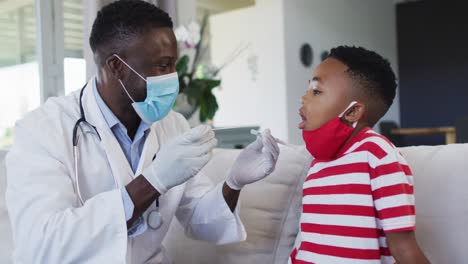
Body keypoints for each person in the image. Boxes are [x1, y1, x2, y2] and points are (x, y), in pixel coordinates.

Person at [5, 1, 280, 263]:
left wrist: (234, 181)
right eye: (163, 65)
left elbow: (200, 218)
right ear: (116, 67)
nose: (173, 77)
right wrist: (153, 180)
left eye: (174, 64)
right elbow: (43, 244)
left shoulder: (172, 125)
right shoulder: (42, 130)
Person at [290, 46, 430, 264]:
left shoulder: (378, 155)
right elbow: (307, 242)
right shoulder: (317, 164)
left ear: (352, 111)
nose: (303, 98)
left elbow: (404, 249)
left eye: (316, 91)